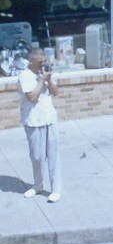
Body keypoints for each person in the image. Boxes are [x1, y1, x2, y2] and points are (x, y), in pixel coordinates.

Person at [18, 47, 62, 203]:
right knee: (37, 156)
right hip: (33, 120)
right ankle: (38, 185)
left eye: (44, 60)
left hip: (49, 118)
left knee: (53, 155)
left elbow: (56, 92)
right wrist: (42, 80)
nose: (42, 64)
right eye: (39, 61)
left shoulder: (44, 74)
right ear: (31, 60)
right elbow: (31, 96)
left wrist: (49, 80)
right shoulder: (25, 76)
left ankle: (56, 189)